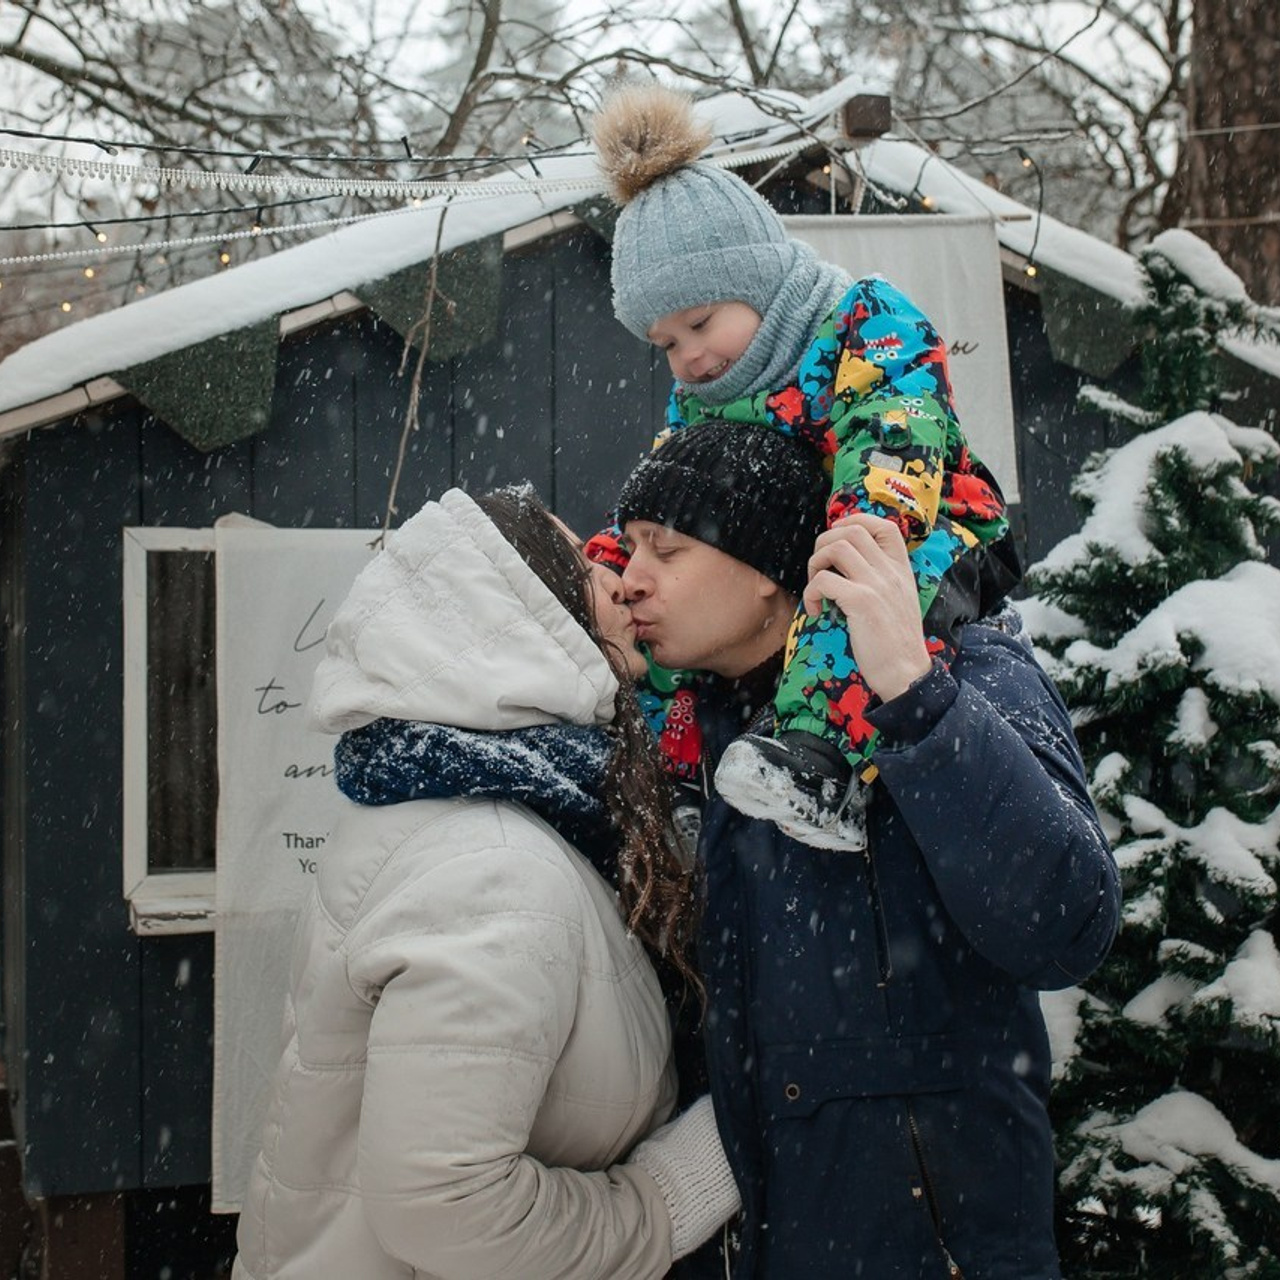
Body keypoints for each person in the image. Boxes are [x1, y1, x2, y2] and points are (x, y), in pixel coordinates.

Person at [612, 422, 1121, 1279]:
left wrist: (917, 699)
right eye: (628, 550)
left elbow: (1069, 923)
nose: (631, 581)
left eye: (666, 550)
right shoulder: (694, 730)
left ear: (776, 569)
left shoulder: (958, 670)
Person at [232, 485, 740, 1280]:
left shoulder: (464, 811)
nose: (613, 577)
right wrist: (661, 1205)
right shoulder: (491, 869)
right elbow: (447, 1205)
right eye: (577, 567)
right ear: (521, 619)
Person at [589, 83, 1020, 849]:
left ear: (757, 281)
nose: (689, 357)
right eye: (665, 343)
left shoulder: (863, 319)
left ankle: (823, 763)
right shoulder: (705, 394)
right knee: (661, 619)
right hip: (811, 539)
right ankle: (675, 778)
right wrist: (617, 560)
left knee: (854, 583)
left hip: (932, 527)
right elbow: (674, 487)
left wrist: (863, 525)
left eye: (699, 322)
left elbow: (898, 426)